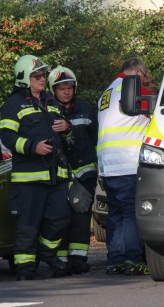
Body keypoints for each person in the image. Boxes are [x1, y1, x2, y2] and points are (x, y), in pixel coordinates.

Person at [0, 55, 71, 280]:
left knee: (60, 219)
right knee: (28, 226)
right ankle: (25, 270)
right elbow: (8, 137)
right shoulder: (12, 104)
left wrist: (67, 128)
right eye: (37, 76)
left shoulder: (51, 101)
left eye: (43, 75)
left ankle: (47, 254)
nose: (42, 79)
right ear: (24, 78)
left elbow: (67, 137)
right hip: (29, 178)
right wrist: (33, 147)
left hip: (55, 176)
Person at [97, 57, 151, 275]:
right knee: (130, 213)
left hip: (108, 165)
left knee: (116, 214)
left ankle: (115, 259)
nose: (145, 81)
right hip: (127, 162)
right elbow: (157, 115)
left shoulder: (107, 92)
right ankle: (132, 259)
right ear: (137, 72)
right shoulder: (134, 89)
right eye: (144, 76)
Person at [48, 66, 98, 274]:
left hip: (84, 174)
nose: (67, 91)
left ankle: (78, 260)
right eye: (61, 88)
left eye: (70, 87)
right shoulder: (47, 110)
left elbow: (95, 139)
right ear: (53, 90)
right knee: (60, 218)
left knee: (81, 217)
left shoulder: (86, 108)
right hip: (59, 176)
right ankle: (60, 262)